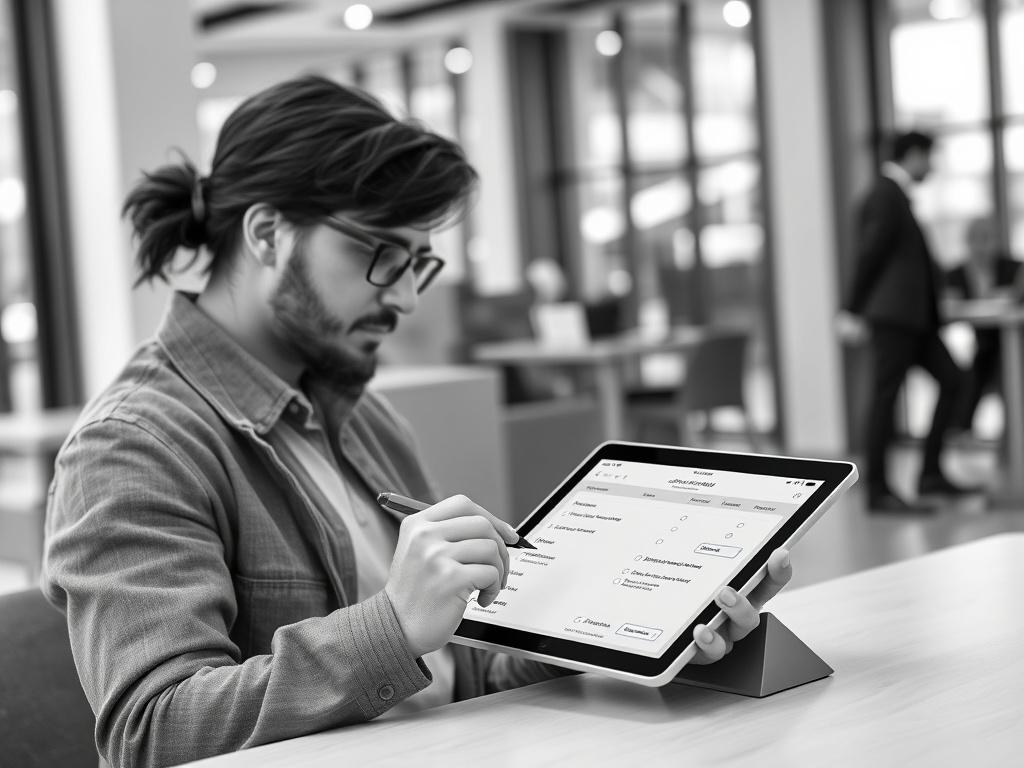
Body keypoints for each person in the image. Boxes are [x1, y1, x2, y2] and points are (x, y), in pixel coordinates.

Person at [40, 76, 793, 768]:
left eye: (419, 265)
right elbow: (151, 733)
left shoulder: (365, 418)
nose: (404, 298)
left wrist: (634, 638)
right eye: (381, 256)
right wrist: (392, 627)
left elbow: (456, 679)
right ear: (267, 234)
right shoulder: (136, 447)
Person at [838, 130, 973, 513]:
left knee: (955, 381)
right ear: (913, 155)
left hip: (914, 319)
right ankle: (877, 491)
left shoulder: (896, 195)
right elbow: (870, 255)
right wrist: (851, 309)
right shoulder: (885, 194)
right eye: (929, 158)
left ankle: (930, 473)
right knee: (885, 397)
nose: (931, 166)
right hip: (895, 319)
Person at [944, 216, 1022, 434]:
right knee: (979, 368)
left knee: (998, 366)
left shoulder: (1012, 269)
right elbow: (950, 304)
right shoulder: (955, 274)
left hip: (1013, 344)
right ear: (968, 242)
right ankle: (962, 428)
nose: (982, 247)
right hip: (984, 344)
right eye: (977, 240)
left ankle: (1012, 434)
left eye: (987, 239)